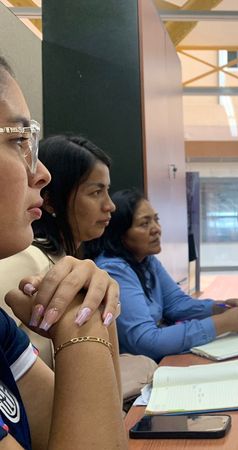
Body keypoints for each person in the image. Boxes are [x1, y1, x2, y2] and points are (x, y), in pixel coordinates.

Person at [0, 56, 126, 448]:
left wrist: (94, 314)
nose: (41, 174)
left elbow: (106, 434)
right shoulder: (29, 264)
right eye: (17, 141)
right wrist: (83, 325)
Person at [26, 134, 158, 406]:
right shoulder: (30, 261)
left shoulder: (71, 261)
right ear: (50, 201)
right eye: (96, 192)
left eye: (107, 191)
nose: (110, 205)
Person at [91, 189, 238, 361]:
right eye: (144, 224)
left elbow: (176, 304)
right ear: (120, 234)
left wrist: (219, 307)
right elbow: (146, 341)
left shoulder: (146, 260)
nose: (156, 229)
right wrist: (223, 323)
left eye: (156, 220)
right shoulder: (114, 270)